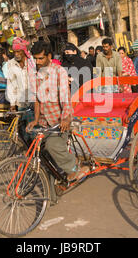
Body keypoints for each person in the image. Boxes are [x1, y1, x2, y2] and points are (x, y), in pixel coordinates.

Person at [26, 41, 89, 181]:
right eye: (35, 58)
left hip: (59, 121)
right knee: (36, 148)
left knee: (51, 145)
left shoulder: (59, 71)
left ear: (49, 56)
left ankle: (74, 168)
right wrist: (35, 120)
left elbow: (65, 97)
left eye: (40, 58)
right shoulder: (36, 74)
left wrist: (66, 118)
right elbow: (37, 100)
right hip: (43, 122)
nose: (38, 62)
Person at [6, 37, 36, 112]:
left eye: (18, 51)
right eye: (14, 52)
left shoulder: (33, 62)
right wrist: (12, 103)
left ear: (23, 51)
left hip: (34, 101)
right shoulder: (11, 63)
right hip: (20, 102)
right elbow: (11, 84)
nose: (16, 54)